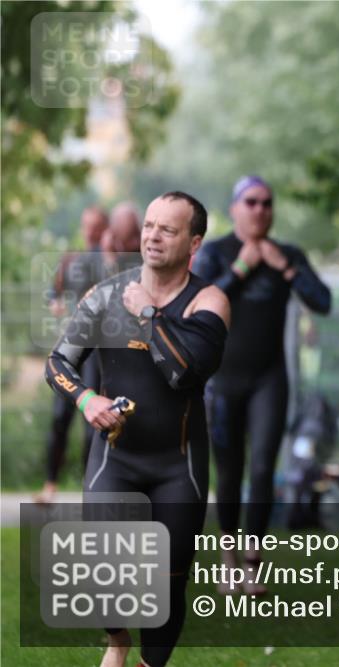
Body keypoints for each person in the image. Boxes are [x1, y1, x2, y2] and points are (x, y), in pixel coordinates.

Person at [44, 191, 230, 667]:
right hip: (117, 458)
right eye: (149, 225)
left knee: (166, 584)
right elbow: (58, 362)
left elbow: (185, 372)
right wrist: (85, 398)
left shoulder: (209, 301)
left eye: (167, 229)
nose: (152, 235)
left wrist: (148, 314)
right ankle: (117, 640)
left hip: (178, 466)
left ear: (193, 243)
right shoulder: (105, 296)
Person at [192, 175, 331, 593]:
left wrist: (284, 267)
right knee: (230, 472)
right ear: (235, 207)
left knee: (263, 467)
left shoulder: (285, 254)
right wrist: (242, 267)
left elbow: (321, 301)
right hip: (223, 378)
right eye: (251, 202)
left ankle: (253, 559)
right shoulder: (216, 253)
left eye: (267, 203)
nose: (260, 210)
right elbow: (196, 302)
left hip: (270, 378)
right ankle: (228, 556)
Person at [36, 205, 108, 504]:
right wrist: (55, 303)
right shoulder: (71, 260)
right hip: (73, 348)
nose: (90, 230)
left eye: (96, 226)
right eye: (86, 224)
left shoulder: (110, 261)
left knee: (90, 420)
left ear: (105, 229)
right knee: (59, 418)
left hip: (98, 352)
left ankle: (89, 487)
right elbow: (52, 292)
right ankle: (50, 485)